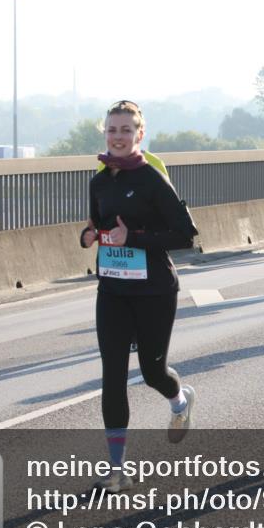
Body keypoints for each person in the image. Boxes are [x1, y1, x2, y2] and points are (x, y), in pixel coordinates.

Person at [80, 100, 198, 493]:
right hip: (112, 289)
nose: (118, 137)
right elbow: (99, 223)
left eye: (126, 130)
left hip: (154, 291)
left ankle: (179, 400)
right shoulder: (99, 181)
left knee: (152, 373)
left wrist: (137, 239)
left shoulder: (151, 179)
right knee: (112, 376)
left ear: (139, 135)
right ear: (105, 133)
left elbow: (185, 234)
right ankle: (116, 469)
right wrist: (90, 234)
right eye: (112, 130)